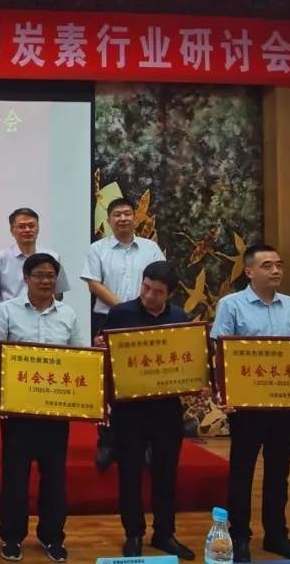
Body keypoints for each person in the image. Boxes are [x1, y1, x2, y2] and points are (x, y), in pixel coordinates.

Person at [210, 245, 290, 563]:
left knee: (279, 472)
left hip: (284, 405)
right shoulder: (231, 305)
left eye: (279, 264)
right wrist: (224, 393)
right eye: (267, 265)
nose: (276, 270)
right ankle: (239, 536)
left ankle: (276, 535)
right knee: (242, 472)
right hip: (247, 407)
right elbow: (220, 353)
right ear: (249, 271)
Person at [100, 260, 196, 560]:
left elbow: (188, 358)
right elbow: (106, 356)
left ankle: (164, 533)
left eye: (157, 292)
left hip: (166, 408)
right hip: (129, 409)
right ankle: (134, 533)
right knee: (129, 472)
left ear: (170, 294)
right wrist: (102, 347)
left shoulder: (179, 317)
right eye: (145, 287)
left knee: (166, 471)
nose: (149, 296)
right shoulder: (121, 313)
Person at [0, 253, 81, 563]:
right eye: (39, 275)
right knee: (15, 475)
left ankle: (52, 536)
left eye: (50, 276)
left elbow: (79, 360)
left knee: (54, 476)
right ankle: (12, 537)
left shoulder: (68, 314)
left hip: (55, 411)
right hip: (17, 412)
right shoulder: (7, 310)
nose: (45, 281)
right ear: (26, 279)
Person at [80, 197, 164, 471]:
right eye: (117, 214)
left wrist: (139, 310)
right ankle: (108, 443)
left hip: (147, 321)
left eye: (127, 213)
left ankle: (147, 444)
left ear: (135, 218)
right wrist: (126, 309)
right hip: (109, 319)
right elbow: (94, 283)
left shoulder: (150, 248)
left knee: (145, 382)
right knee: (108, 383)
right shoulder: (98, 249)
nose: (123, 218)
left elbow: (161, 279)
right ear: (109, 220)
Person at [0, 208, 70, 309]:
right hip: (12, 314)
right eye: (21, 227)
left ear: (38, 229)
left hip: (43, 313)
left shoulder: (53, 257)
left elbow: (58, 292)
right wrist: (5, 312)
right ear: (12, 230)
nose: (27, 230)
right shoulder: (0, 258)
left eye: (31, 226)